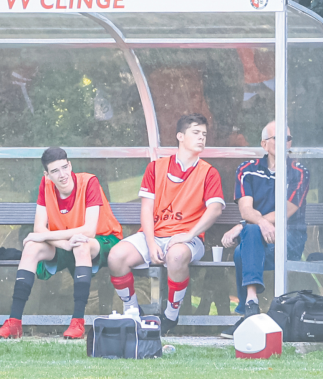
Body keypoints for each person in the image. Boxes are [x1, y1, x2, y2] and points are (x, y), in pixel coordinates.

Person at [107, 114, 225, 335]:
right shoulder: (156, 168)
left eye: (204, 134)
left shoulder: (208, 172)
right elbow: (146, 209)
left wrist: (189, 234)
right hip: (154, 235)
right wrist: (151, 244)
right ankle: (133, 312)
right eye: (196, 133)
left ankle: (170, 315)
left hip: (188, 239)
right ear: (180, 136)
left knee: (177, 256)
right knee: (115, 256)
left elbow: (215, 209)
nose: (202, 138)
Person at [0, 147, 122, 339]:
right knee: (31, 247)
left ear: (70, 165)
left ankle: (77, 322)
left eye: (65, 167)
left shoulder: (89, 181)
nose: (62, 174)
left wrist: (44, 236)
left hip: (103, 239)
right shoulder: (46, 185)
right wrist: (63, 243)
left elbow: (89, 230)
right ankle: (14, 322)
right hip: (65, 242)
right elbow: (39, 228)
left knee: (81, 244)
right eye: (55, 171)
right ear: (46, 175)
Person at [219, 121, 310, 338]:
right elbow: (245, 210)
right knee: (248, 238)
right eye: (279, 137)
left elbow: (285, 212)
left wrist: (247, 226)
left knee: (244, 245)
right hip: (257, 241)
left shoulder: (299, 172)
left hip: (288, 241)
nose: (285, 142)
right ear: (264, 144)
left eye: (288, 138)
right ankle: (251, 305)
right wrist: (257, 224)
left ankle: (248, 312)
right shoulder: (247, 170)